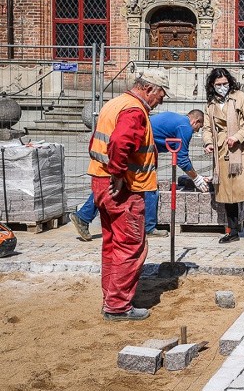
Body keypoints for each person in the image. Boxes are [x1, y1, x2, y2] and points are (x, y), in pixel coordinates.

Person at [87, 70, 171, 321]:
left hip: (101, 182)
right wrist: (118, 174)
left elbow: (98, 141)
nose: (161, 101)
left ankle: (111, 298)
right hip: (124, 188)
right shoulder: (134, 110)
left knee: (112, 244)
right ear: (149, 89)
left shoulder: (115, 103)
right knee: (131, 245)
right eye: (161, 95)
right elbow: (120, 142)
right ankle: (118, 306)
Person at [69, 110, 207, 240]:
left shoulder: (177, 120)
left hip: (136, 149)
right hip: (138, 152)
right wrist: (196, 178)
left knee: (117, 185)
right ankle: (148, 228)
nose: (197, 131)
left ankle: (83, 216)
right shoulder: (185, 126)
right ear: (196, 121)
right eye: (199, 127)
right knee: (150, 188)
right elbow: (182, 159)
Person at [202, 68, 244, 246]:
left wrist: (238, 136)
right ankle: (233, 230)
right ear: (212, 86)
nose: (222, 87)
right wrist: (208, 142)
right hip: (222, 152)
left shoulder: (239, 97)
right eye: (218, 85)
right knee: (228, 193)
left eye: (225, 83)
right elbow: (207, 128)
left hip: (242, 150)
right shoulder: (210, 104)